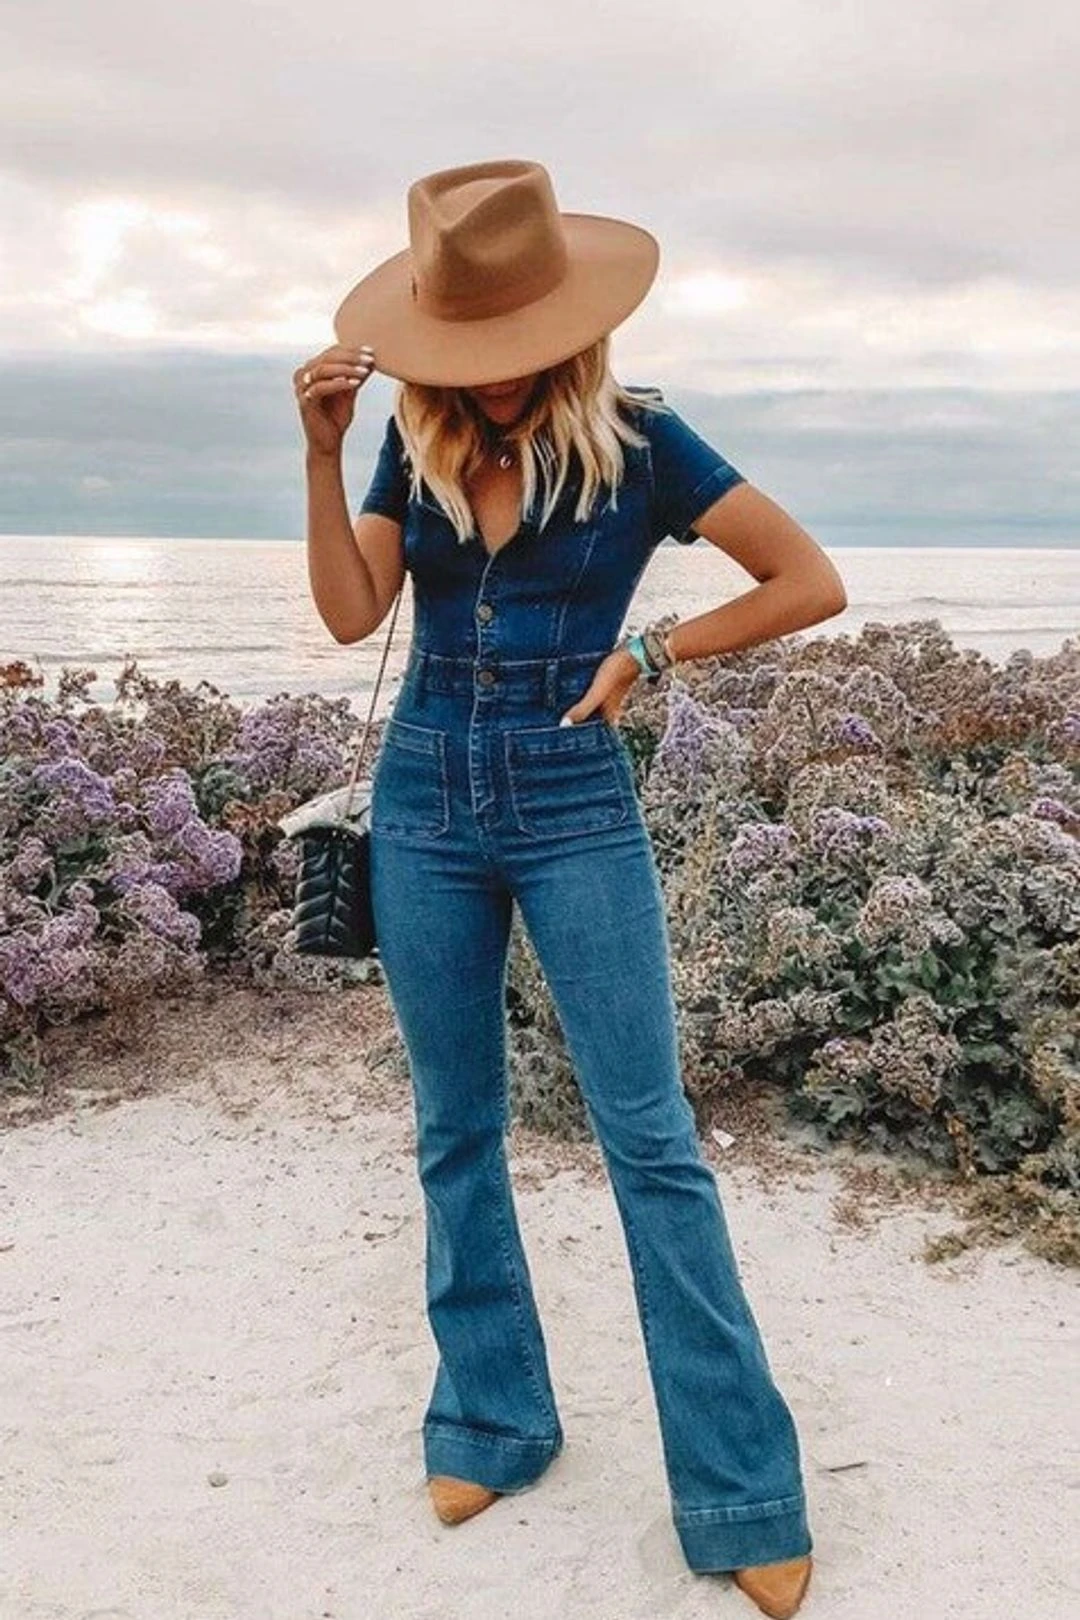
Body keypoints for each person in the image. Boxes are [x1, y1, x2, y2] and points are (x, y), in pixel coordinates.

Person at [294, 159, 846, 1620]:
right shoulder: (409, 445)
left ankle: (743, 1491)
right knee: (454, 1129)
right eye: (467, 346)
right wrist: (321, 452)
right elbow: (350, 616)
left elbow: (806, 579)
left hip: (570, 801)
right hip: (421, 802)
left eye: (515, 344)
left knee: (651, 1141)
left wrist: (653, 655)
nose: (492, 374)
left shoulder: (645, 442)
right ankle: (492, 1421)